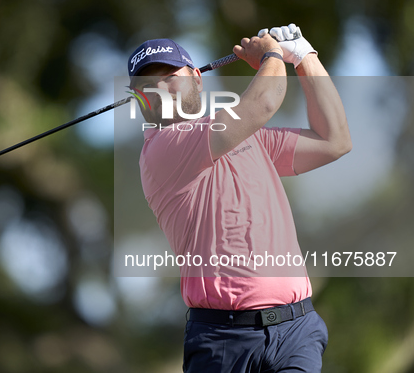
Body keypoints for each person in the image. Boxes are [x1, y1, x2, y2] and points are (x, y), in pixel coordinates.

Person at [127, 24, 351, 372]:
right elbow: (262, 102)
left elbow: (333, 140)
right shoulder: (162, 149)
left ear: (198, 79)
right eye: (146, 84)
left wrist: (305, 57)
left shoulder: (251, 140)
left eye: (170, 75)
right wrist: (273, 54)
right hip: (222, 340)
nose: (159, 87)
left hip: (296, 330)